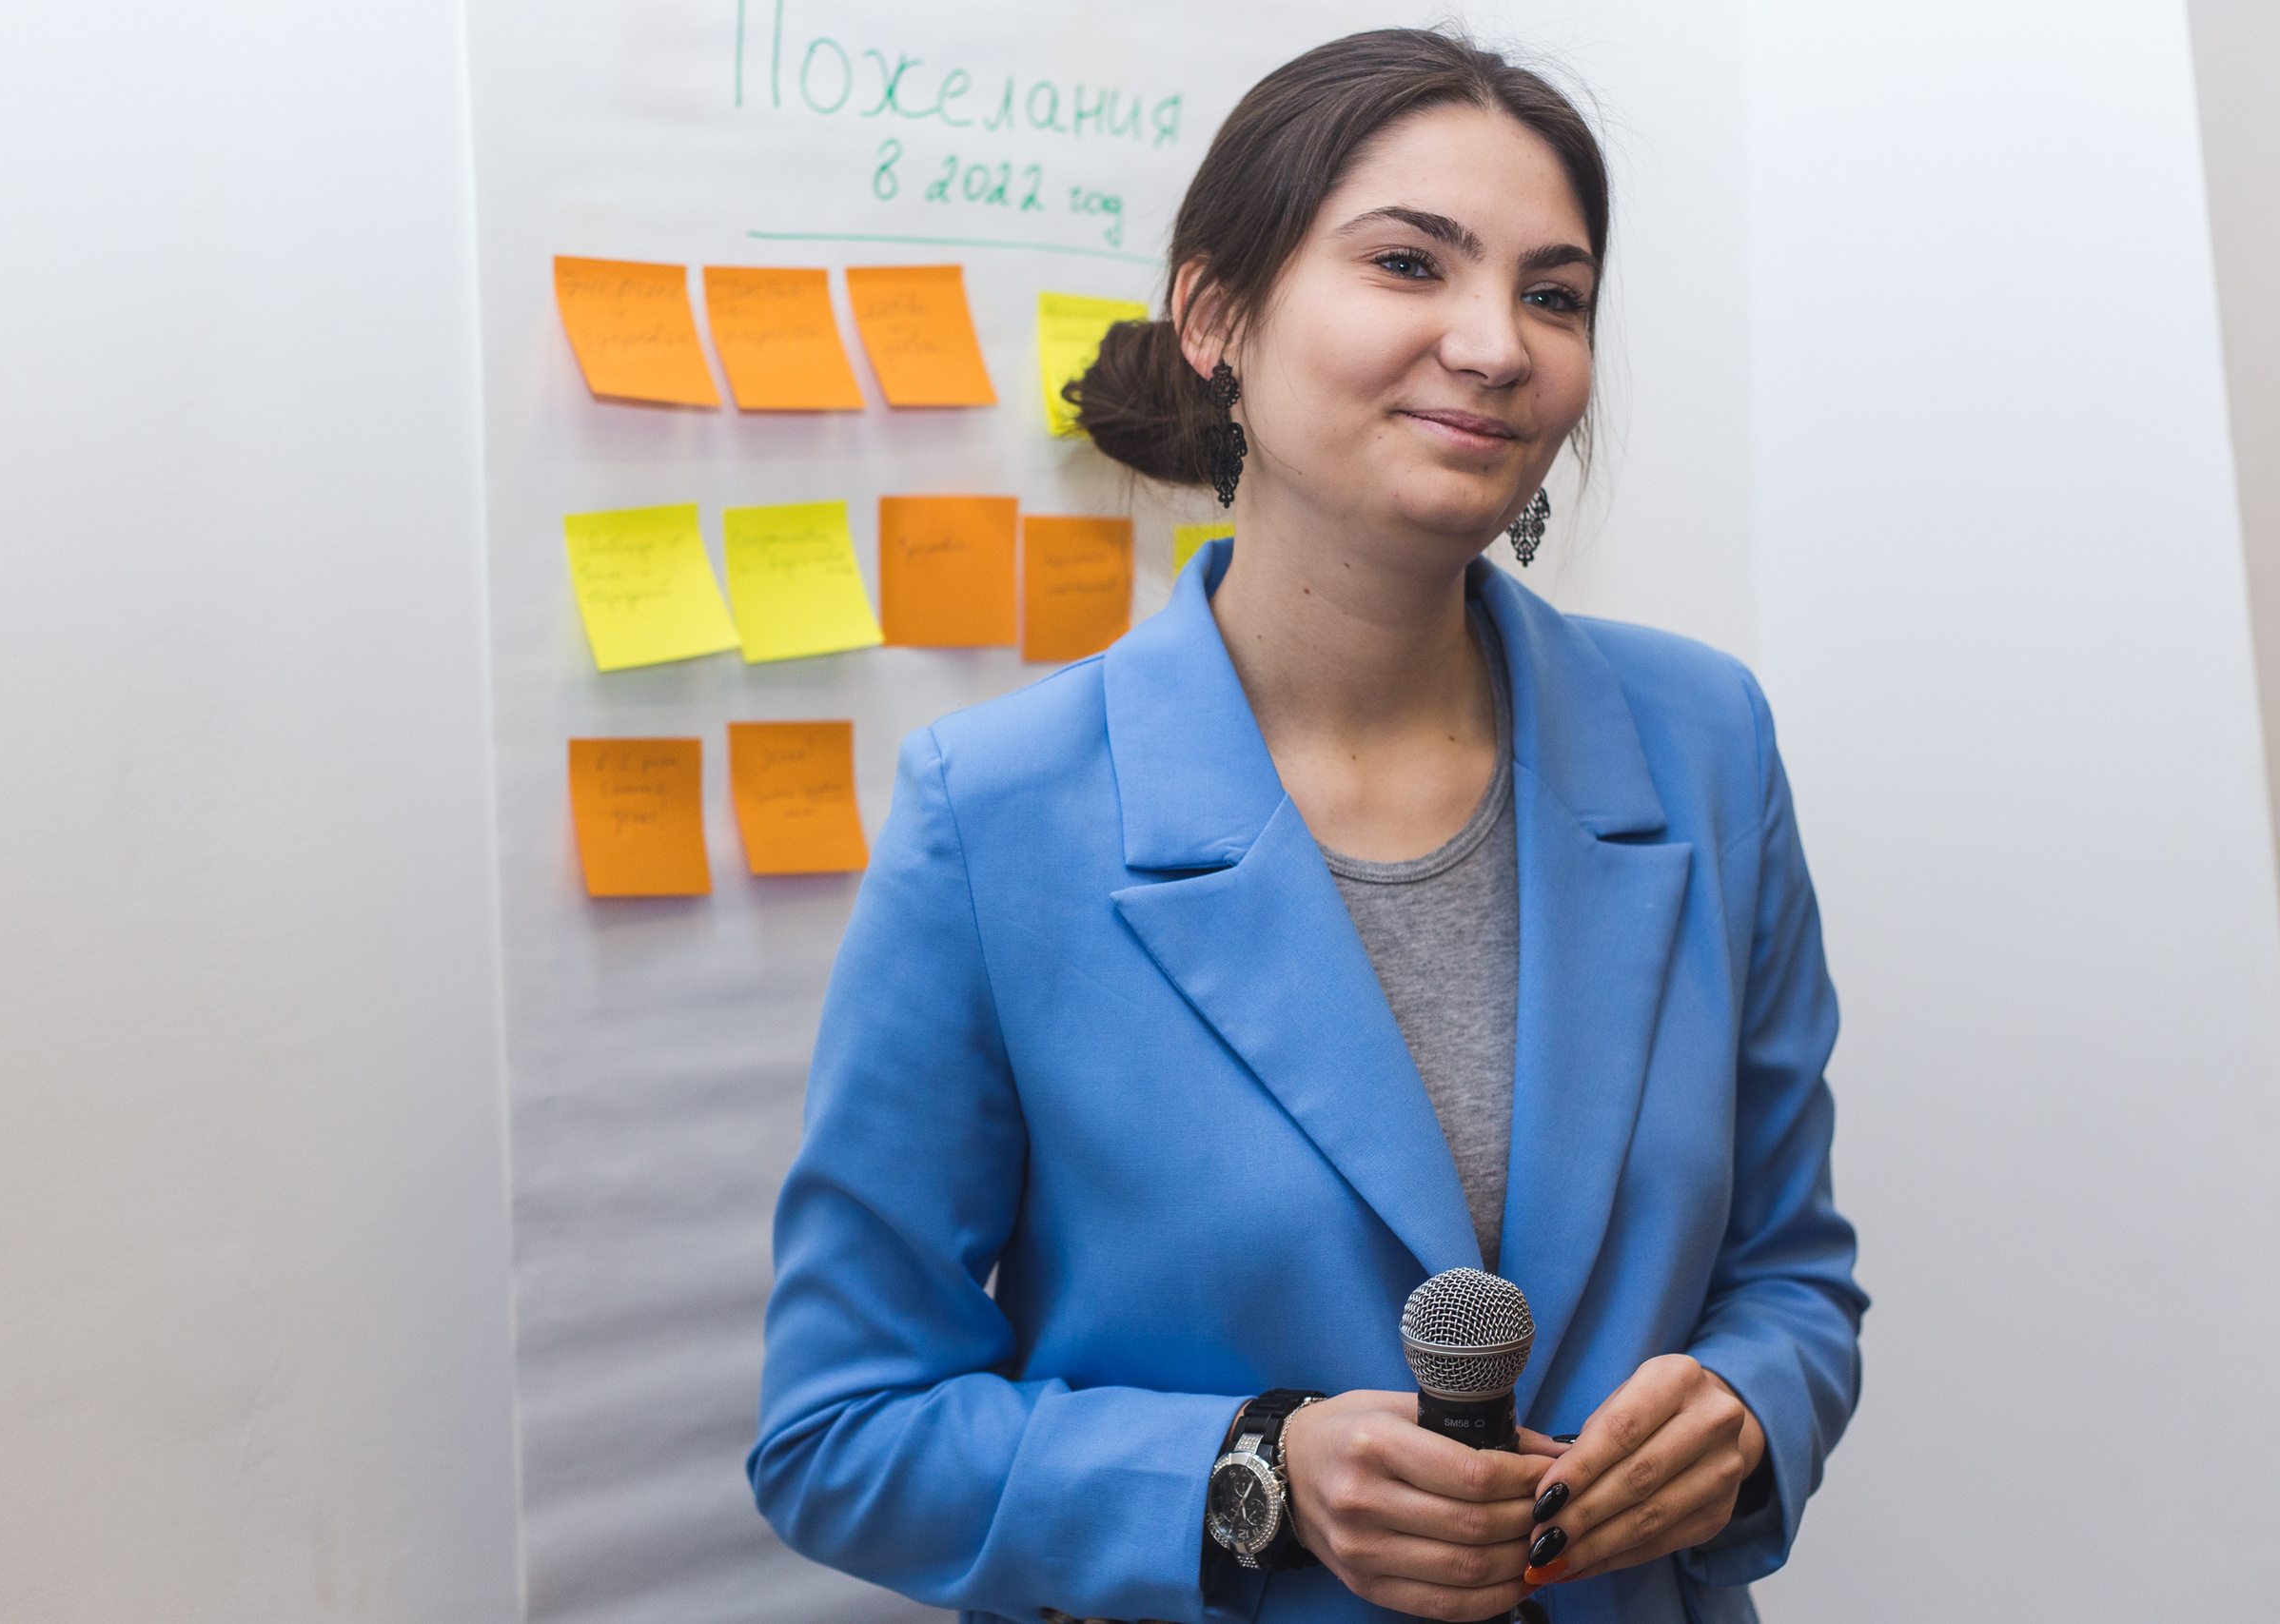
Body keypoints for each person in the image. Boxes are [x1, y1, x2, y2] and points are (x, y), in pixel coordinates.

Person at [749, 28, 1864, 1624]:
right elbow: (840, 1432)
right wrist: (1252, 1475)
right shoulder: (995, 814)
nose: (1494, 344)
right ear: (1216, 316)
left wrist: (1751, 1414)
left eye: (1554, 294)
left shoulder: (1704, 745)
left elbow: (1794, 1277)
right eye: (1411, 263)